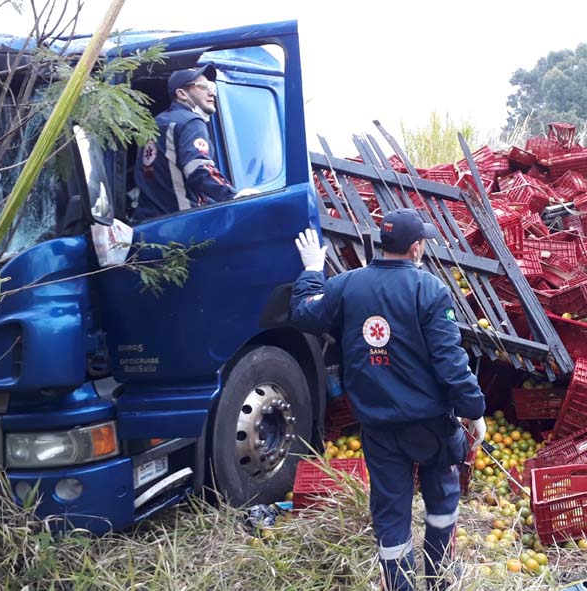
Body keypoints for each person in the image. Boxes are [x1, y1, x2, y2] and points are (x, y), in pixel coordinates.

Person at [289, 209, 487, 591]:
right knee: (442, 499)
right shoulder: (429, 290)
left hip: (378, 427)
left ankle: (400, 585)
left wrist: (312, 270)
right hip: (430, 424)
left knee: (391, 513)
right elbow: (451, 364)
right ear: (416, 248)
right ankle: (440, 578)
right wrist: (474, 410)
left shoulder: (347, 286)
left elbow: (304, 313)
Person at [132, 64, 246, 221]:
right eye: (202, 87)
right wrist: (233, 195)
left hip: (147, 222)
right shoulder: (190, 122)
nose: (211, 92)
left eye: (212, 87)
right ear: (182, 94)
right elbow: (199, 169)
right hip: (182, 223)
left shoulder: (157, 122)